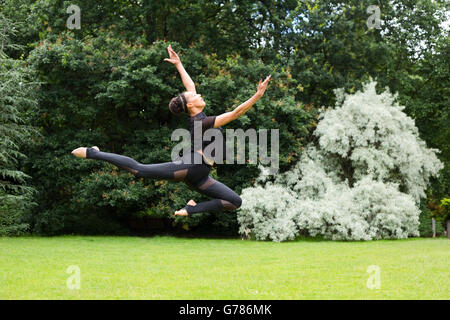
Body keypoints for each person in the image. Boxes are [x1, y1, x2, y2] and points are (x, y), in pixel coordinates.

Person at [72, 44, 271, 217]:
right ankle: (93, 153)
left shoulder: (199, 116)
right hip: (192, 166)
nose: (199, 95)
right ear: (191, 106)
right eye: (195, 96)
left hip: (201, 175)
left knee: (235, 201)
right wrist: (257, 95)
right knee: (140, 170)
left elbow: (190, 85)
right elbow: (236, 113)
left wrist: (178, 65)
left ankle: (191, 209)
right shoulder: (201, 122)